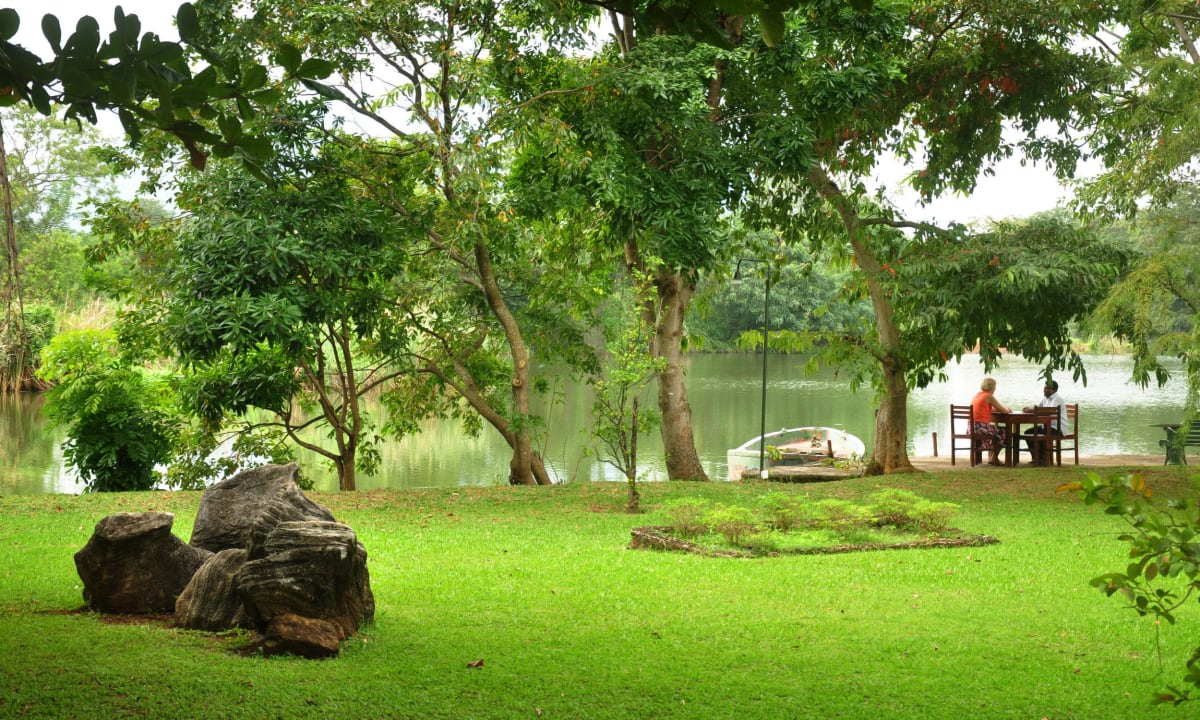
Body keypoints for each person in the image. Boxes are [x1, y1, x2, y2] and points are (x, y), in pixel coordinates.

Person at [1021, 380, 1066, 465]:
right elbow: (1038, 408)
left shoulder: (1057, 399)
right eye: (1044, 388)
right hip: (1045, 426)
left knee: (1044, 433)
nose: (1045, 390)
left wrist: (1033, 410)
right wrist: (1029, 409)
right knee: (1028, 433)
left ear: (1054, 390)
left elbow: (1050, 411)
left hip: (1057, 428)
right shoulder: (1045, 398)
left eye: (1047, 389)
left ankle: (1043, 459)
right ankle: (1036, 458)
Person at [971, 377, 1012, 466]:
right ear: (992, 387)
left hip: (972, 427)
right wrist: (1008, 410)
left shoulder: (978, 395)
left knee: (996, 430)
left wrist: (995, 410)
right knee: (1004, 432)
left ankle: (992, 457)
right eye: (995, 387)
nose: (995, 389)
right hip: (981, 428)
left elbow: (987, 408)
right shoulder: (989, 396)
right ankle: (993, 457)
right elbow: (1003, 410)